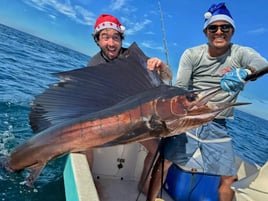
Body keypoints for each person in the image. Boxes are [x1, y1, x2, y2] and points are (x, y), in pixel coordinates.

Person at [147, 2, 268, 201]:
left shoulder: (240, 53)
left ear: (232, 30)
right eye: (213, 27)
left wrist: (247, 72)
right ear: (206, 31)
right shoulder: (192, 54)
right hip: (189, 120)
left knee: (230, 177)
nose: (219, 31)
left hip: (218, 125)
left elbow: (262, 64)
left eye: (225, 27)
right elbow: (181, 89)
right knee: (163, 161)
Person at [85, 13, 172, 196]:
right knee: (85, 145)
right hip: (109, 120)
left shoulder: (133, 56)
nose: (111, 43)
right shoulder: (94, 64)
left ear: (121, 39)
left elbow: (167, 78)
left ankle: (144, 186)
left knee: (160, 152)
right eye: (105, 37)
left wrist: (161, 67)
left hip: (135, 122)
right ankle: (90, 183)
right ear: (97, 40)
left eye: (115, 37)